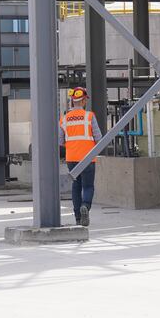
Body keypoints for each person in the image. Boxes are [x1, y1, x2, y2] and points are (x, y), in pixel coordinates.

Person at [59, 87, 102, 226]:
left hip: (71, 158)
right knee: (88, 186)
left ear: (72, 101)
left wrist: (72, 145)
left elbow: (60, 141)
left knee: (76, 186)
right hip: (87, 157)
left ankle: (78, 217)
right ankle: (85, 206)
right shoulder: (89, 116)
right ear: (83, 101)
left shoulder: (64, 119)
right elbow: (99, 138)